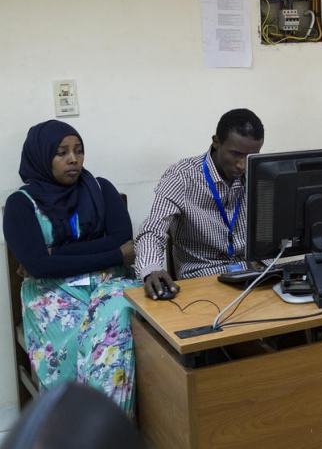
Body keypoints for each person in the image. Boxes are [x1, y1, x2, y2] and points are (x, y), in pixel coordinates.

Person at [2, 120, 139, 417]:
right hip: (52, 295)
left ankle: (106, 431)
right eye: (61, 152)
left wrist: (58, 254)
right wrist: (111, 253)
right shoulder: (20, 204)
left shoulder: (101, 189)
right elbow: (39, 266)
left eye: (78, 150)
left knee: (118, 317)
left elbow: (124, 242)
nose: (73, 158)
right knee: (91, 343)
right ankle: (94, 428)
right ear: (41, 156)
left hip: (111, 284)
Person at [134, 109, 264, 299]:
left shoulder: (262, 173)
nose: (242, 166)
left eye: (251, 156)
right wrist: (151, 269)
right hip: (204, 278)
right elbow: (152, 229)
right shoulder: (182, 176)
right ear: (216, 142)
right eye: (235, 154)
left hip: (256, 275)